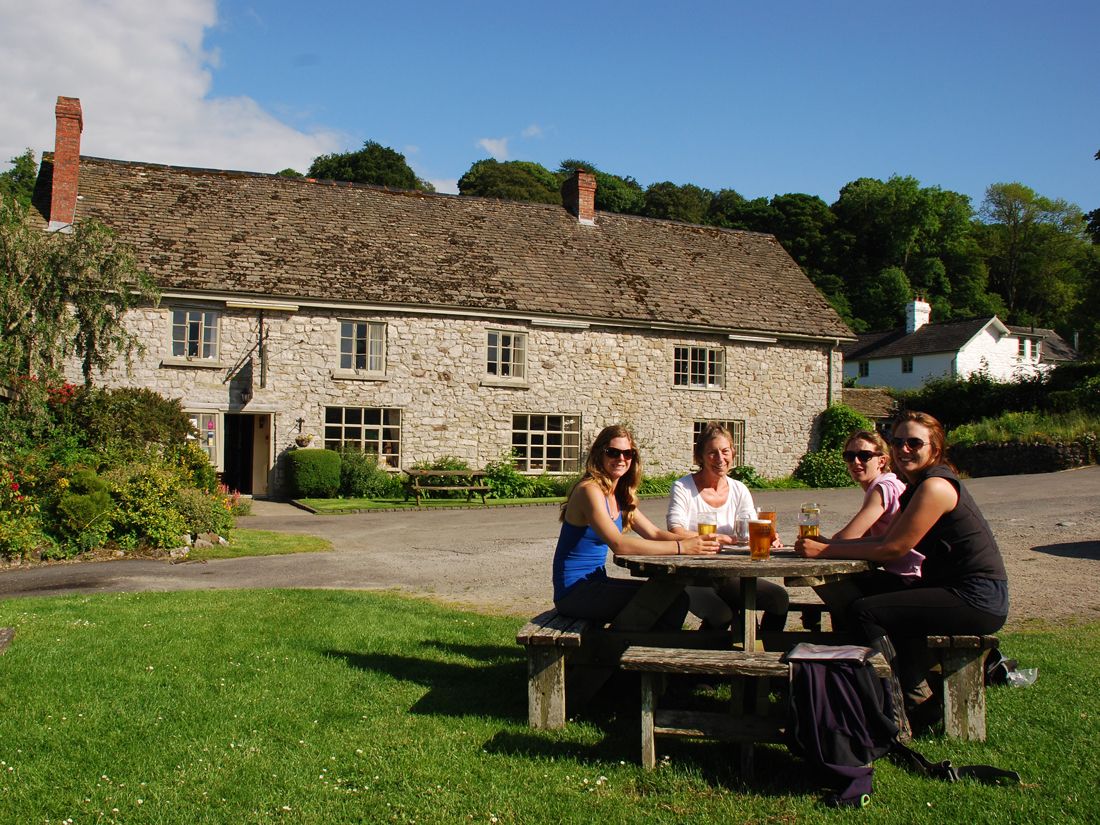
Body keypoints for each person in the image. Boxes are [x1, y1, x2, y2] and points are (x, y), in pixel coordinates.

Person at [795, 411, 1009, 736]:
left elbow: (893, 548)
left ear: (935, 448)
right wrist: (830, 545)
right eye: (897, 442)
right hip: (952, 589)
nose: (903, 449)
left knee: (865, 611)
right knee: (862, 586)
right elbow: (884, 540)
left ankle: (892, 706)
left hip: (975, 597)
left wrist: (824, 551)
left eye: (914, 443)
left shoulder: (935, 486)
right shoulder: (916, 487)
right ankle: (898, 694)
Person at [553, 425, 720, 628]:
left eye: (627, 453)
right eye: (613, 452)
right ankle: (628, 647)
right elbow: (619, 544)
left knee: (674, 598)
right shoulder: (589, 490)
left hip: (594, 582)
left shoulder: (619, 494)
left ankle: (631, 645)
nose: (621, 458)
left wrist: (699, 541)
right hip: (574, 592)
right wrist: (682, 547)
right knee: (670, 603)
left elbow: (654, 533)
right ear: (599, 454)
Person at [667, 422, 789, 632]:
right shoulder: (683, 487)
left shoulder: (739, 489)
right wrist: (722, 538)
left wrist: (768, 536)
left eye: (725, 451)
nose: (720, 458)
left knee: (779, 599)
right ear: (700, 456)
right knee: (721, 614)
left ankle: (765, 648)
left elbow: (749, 531)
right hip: (692, 575)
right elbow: (676, 531)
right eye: (712, 453)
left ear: (733, 452)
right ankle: (706, 651)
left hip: (731, 574)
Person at [814, 430, 924, 628]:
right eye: (849, 456)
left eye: (864, 456)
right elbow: (859, 539)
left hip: (910, 579)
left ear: (882, 461)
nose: (855, 462)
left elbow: (848, 538)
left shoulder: (883, 487)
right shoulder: (890, 484)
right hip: (912, 575)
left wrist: (822, 545)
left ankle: (853, 640)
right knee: (842, 584)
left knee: (831, 582)